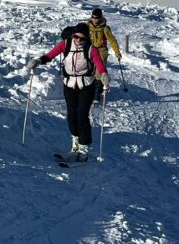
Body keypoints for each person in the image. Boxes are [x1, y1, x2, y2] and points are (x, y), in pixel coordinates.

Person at [26, 22, 108, 161]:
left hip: (86, 86)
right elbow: (50, 55)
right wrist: (38, 61)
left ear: (86, 38)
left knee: (82, 116)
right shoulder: (65, 44)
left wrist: (104, 75)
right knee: (71, 116)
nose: (78, 41)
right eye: (76, 37)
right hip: (69, 85)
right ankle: (75, 144)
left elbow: (99, 63)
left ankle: (84, 148)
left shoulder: (90, 49)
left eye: (82, 38)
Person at [87, 8, 121, 97]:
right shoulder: (87, 26)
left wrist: (117, 52)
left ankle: (97, 92)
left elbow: (112, 40)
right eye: (93, 17)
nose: (94, 20)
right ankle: (88, 89)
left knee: (99, 72)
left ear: (100, 18)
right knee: (89, 70)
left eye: (96, 18)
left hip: (101, 51)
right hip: (90, 50)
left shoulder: (105, 28)